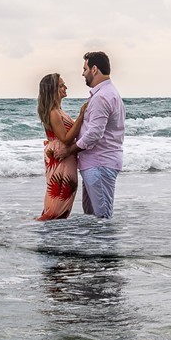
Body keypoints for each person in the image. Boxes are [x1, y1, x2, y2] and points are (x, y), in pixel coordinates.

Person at [72, 51, 125, 219]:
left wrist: (69, 150)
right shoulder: (107, 93)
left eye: (85, 68)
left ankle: (106, 246)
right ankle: (95, 246)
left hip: (99, 163)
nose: (83, 73)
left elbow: (94, 133)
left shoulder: (102, 96)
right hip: (96, 163)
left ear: (94, 69)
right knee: (92, 217)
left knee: (102, 218)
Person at [35, 72, 85, 221]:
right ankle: (41, 228)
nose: (66, 87)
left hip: (63, 156)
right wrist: (81, 116)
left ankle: (52, 235)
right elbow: (65, 139)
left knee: (62, 197)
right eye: (62, 85)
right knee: (59, 199)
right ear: (53, 90)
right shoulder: (53, 113)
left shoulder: (58, 111)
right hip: (61, 156)